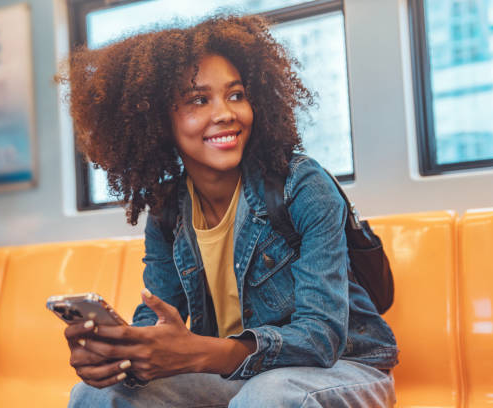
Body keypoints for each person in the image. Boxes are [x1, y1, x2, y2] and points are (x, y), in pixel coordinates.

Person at [59, 14, 398, 408]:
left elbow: (321, 338)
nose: (226, 113)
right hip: (236, 376)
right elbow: (156, 319)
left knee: (268, 396)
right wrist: (123, 354)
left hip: (343, 369)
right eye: (199, 100)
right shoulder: (168, 211)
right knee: (96, 395)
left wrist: (200, 353)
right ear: (157, 120)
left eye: (236, 95)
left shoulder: (302, 186)